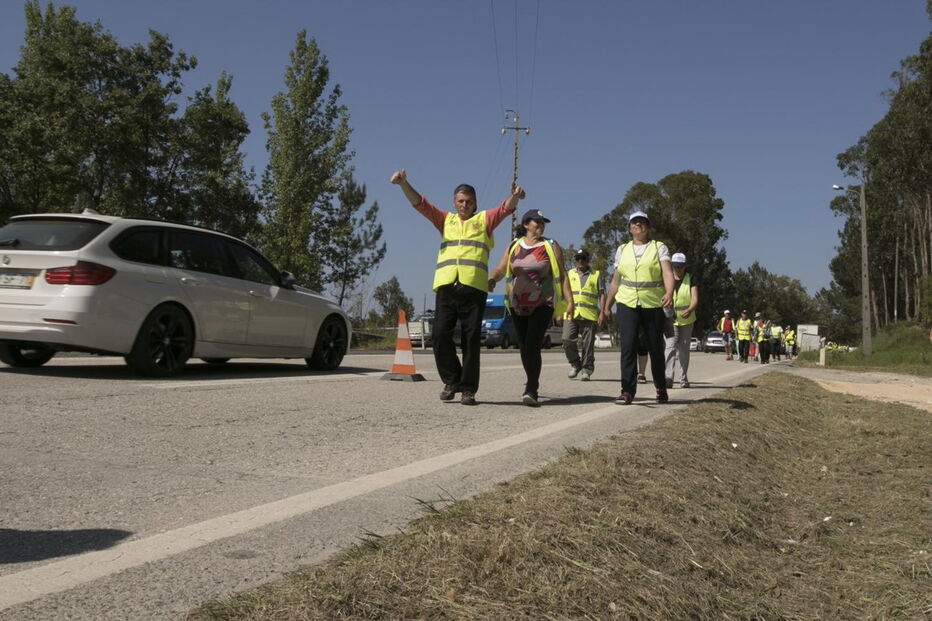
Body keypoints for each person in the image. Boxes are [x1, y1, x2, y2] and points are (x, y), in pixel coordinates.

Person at [391, 169, 525, 405]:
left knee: (471, 339)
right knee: (440, 334)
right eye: (460, 201)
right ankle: (452, 379)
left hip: (473, 288)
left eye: (469, 201)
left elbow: (505, 210)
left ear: (475, 203)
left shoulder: (484, 220)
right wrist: (403, 183)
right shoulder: (445, 220)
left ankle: (468, 389)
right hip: (446, 286)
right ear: (454, 202)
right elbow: (421, 205)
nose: (464, 205)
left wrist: (514, 197)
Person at [489, 209, 572, 406]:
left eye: (543, 222)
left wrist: (570, 301)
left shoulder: (550, 246)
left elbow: (562, 273)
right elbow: (502, 268)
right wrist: (492, 278)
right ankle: (531, 380)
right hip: (517, 304)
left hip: (543, 302)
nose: (540, 225)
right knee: (524, 347)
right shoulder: (514, 246)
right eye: (537, 222)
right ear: (526, 224)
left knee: (533, 344)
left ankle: (531, 388)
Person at [599, 210, 675, 405]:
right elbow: (616, 280)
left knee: (655, 347)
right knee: (628, 346)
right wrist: (607, 306)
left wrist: (668, 292)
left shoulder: (659, 247)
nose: (638, 225)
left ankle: (660, 386)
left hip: (652, 303)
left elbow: (667, 273)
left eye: (642, 222)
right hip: (627, 303)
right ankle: (627, 391)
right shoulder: (622, 249)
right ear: (629, 228)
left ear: (648, 227)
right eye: (634, 222)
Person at [563, 249, 604, 382]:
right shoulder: (569, 274)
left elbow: (602, 294)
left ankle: (587, 370)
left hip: (589, 315)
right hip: (571, 314)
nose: (580, 261)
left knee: (588, 345)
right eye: (578, 258)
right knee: (566, 339)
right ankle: (576, 364)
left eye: (583, 258)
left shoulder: (596, 275)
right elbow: (564, 292)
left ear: (588, 259)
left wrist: (602, 312)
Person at [663, 252, 698, 388]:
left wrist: (689, 309)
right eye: (675, 266)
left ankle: (683, 378)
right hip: (670, 319)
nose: (678, 269)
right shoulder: (667, 278)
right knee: (670, 347)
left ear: (685, 266)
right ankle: (668, 377)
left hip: (687, 320)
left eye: (680, 266)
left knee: (684, 350)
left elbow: (694, 298)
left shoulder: (691, 278)